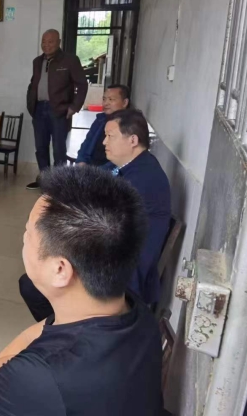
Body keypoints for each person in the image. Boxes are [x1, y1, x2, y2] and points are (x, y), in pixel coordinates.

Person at [0, 166, 163, 416]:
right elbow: (44, 328)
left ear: (60, 269)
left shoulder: (44, 376)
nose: (23, 239)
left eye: (28, 233)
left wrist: (7, 370)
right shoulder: (134, 309)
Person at [19, 108, 171, 322]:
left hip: (123, 273)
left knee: (33, 285)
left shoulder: (144, 179)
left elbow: (102, 225)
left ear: (133, 140)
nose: (104, 142)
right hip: (110, 255)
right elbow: (91, 180)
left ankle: (71, 327)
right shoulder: (129, 165)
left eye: (110, 136)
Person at [25, 29, 88, 190]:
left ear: (59, 42)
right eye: (43, 41)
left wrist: (74, 107)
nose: (46, 45)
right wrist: (31, 104)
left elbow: (82, 85)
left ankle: (59, 184)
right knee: (40, 148)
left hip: (59, 110)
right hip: (39, 109)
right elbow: (33, 84)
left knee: (59, 149)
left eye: (50, 41)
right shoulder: (37, 61)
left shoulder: (70, 60)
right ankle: (45, 180)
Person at [75, 84, 131, 166]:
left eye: (111, 99)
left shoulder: (129, 126)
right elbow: (86, 144)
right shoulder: (100, 120)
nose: (105, 103)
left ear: (125, 102)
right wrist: (81, 161)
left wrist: (95, 171)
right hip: (89, 167)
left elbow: (121, 160)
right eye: (104, 99)